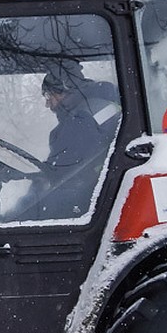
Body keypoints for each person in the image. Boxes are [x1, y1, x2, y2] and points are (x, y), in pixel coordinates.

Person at [27, 61, 120, 219]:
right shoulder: (101, 104)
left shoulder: (80, 120)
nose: (47, 103)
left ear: (65, 90)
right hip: (106, 184)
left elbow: (62, 170)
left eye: (49, 95)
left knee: (35, 209)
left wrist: (36, 184)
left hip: (92, 194)